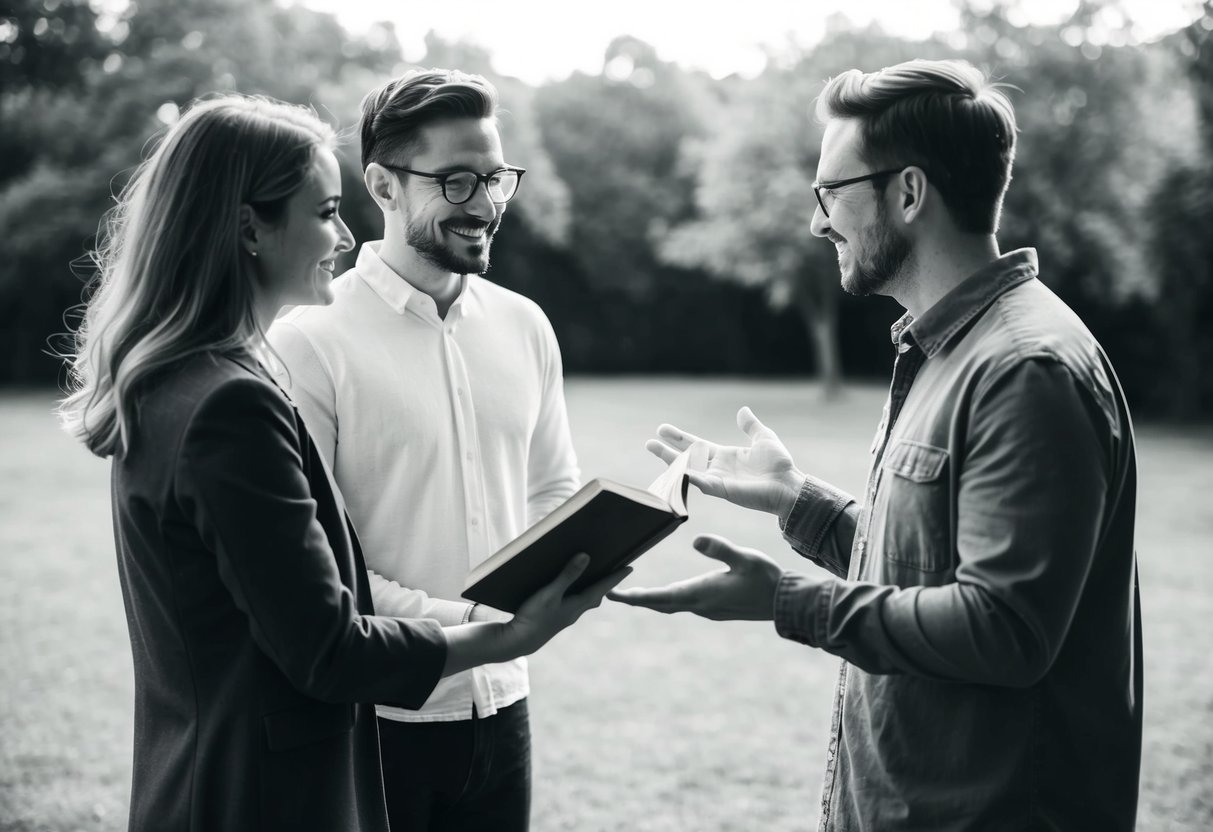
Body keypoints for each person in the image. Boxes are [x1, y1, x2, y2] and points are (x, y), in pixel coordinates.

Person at [56, 94, 623, 832]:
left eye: (495, 178)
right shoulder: (233, 400)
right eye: (325, 211)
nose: (343, 233)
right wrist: (508, 633)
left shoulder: (174, 383)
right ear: (247, 226)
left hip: (214, 779)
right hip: (262, 790)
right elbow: (328, 645)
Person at [612, 59, 1141, 831]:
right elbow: (931, 567)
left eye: (830, 193)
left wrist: (784, 603)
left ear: (908, 192)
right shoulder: (947, 350)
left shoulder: (1026, 369)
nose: (817, 221)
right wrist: (801, 504)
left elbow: (1004, 630)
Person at [266, 69, 578, 831]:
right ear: (382, 183)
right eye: (458, 181)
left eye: (496, 178)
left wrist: (575, 565)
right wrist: (483, 623)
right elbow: (323, 576)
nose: (485, 205)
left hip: (506, 708)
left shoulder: (526, 324)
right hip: (372, 723)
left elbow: (552, 494)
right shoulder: (308, 339)